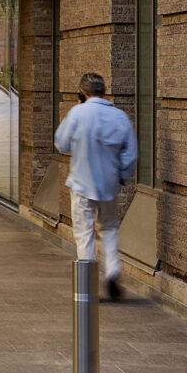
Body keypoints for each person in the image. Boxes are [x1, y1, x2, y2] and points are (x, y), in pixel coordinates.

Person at [54, 71, 139, 301]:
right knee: (110, 228)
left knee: (84, 233)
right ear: (104, 91)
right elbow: (130, 153)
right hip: (109, 185)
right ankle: (112, 272)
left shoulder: (77, 113)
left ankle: (88, 284)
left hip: (82, 184)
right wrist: (121, 175)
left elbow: (61, 143)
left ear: (82, 93)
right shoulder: (120, 116)